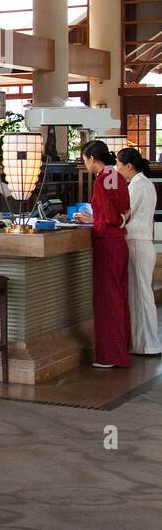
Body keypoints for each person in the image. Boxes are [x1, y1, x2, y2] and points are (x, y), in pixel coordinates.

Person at [74, 140, 132, 368]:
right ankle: (122, 348)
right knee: (119, 297)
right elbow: (123, 212)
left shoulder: (101, 181)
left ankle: (110, 355)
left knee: (107, 300)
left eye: (84, 160)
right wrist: (105, 218)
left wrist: (98, 219)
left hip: (106, 244)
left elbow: (109, 217)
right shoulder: (116, 176)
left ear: (90, 159)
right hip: (119, 242)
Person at [119, 147, 160, 356]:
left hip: (137, 241)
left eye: (119, 165)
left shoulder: (137, 186)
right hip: (142, 242)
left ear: (129, 166)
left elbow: (127, 214)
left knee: (140, 294)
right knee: (140, 293)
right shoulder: (144, 184)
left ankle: (148, 344)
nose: (117, 169)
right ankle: (143, 342)